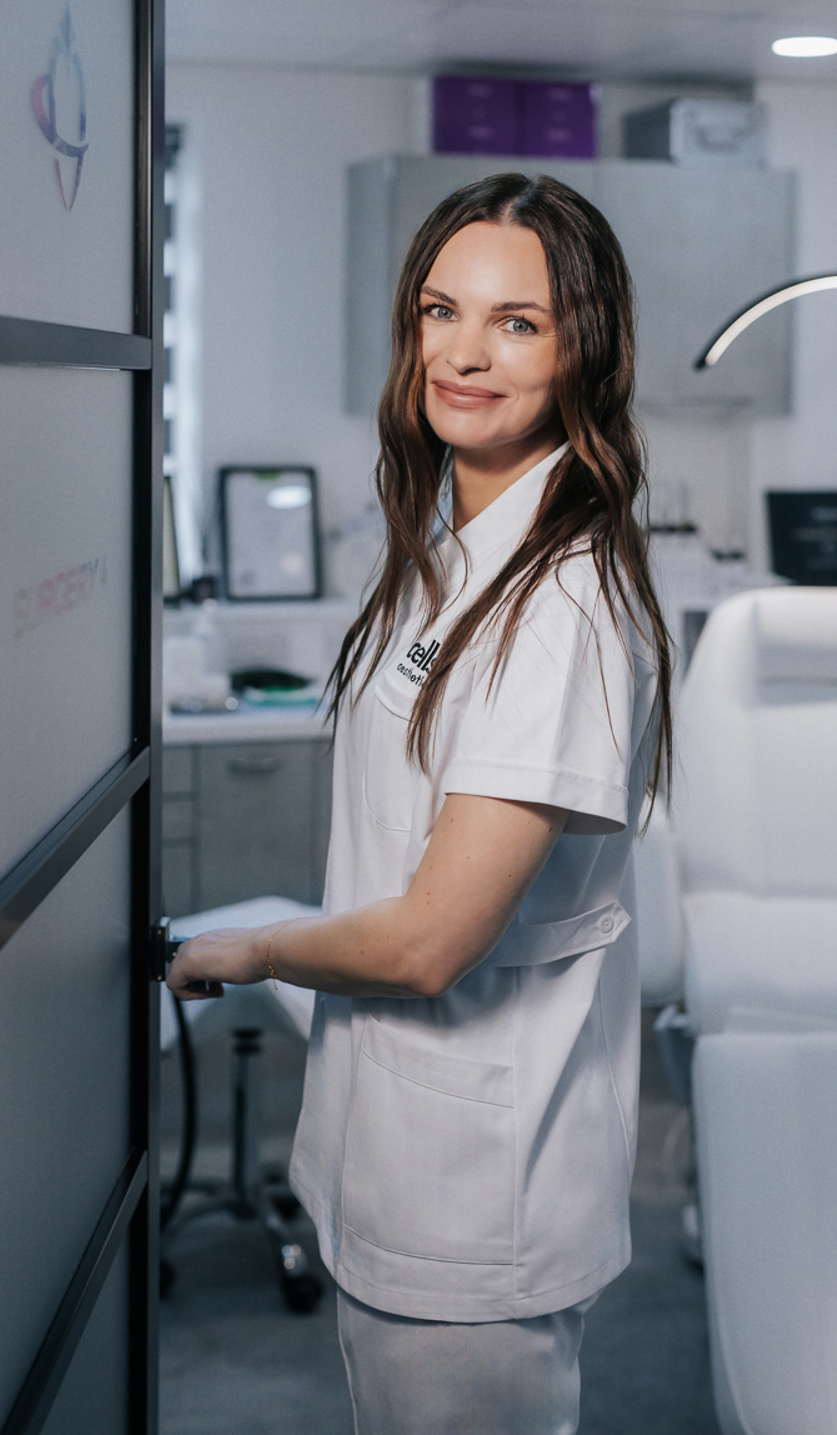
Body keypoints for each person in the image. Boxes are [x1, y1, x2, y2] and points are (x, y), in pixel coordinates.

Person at [167, 173, 673, 1435]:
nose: (462, 353)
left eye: (517, 322)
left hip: (475, 1197)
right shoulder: (449, 547)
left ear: (584, 348)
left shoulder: (559, 607)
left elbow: (427, 942)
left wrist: (247, 950)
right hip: (401, 1152)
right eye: (441, 311)